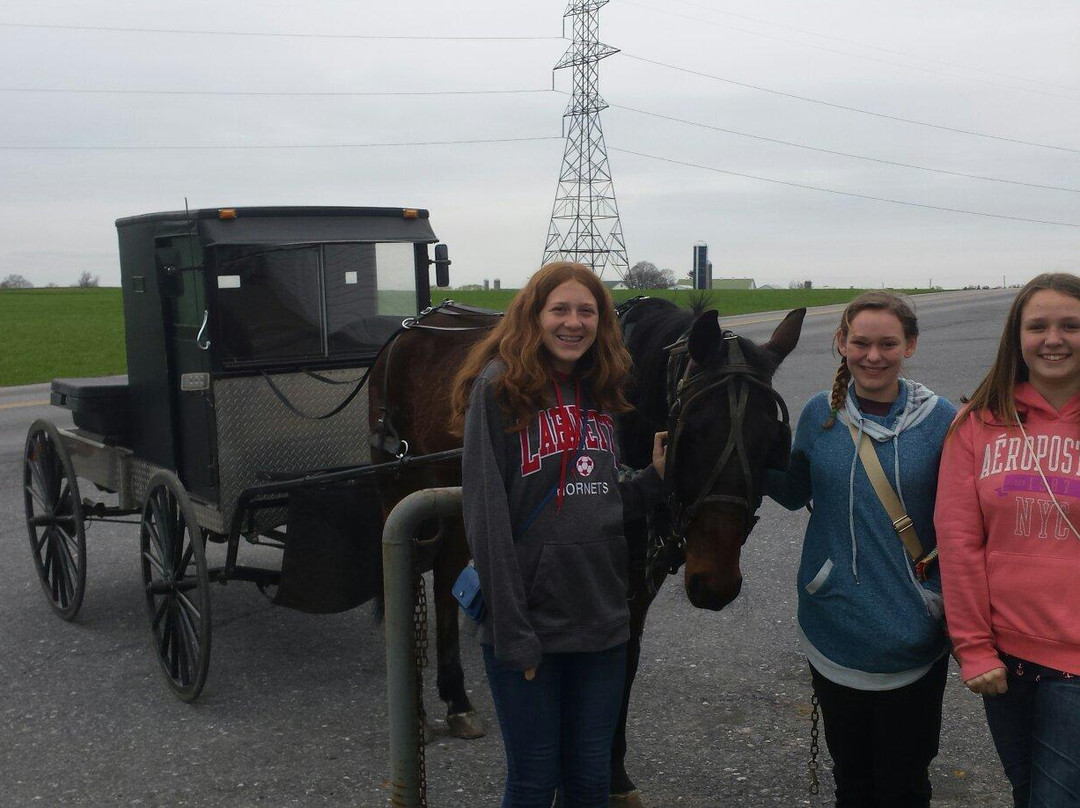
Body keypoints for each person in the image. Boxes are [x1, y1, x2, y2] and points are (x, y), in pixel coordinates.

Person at [450, 261, 666, 807]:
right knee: (533, 779)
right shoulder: (499, 388)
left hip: (602, 627)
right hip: (530, 628)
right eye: (560, 310)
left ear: (602, 322)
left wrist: (656, 480)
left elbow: (604, 502)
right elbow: (486, 519)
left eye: (587, 311)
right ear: (534, 316)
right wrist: (512, 632)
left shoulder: (601, 391)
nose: (574, 323)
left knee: (592, 779)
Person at [765, 291, 957, 807]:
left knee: (904, 780)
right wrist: (740, 451)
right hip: (835, 627)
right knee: (851, 776)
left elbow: (962, 523)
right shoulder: (817, 415)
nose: (874, 356)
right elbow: (793, 493)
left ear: (910, 346)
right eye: (861, 343)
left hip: (913, 633)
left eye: (888, 343)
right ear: (841, 344)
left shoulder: (942, 421)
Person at [936, 273, 1080, 808]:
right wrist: (972, 648)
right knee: (1027, 794)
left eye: (1071, 325)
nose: (1053, 339)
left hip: (1076, 663)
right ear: (1016, 338)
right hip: (1005, 659)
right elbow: (958, 543)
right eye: (1037, 326)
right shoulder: (978, 425)